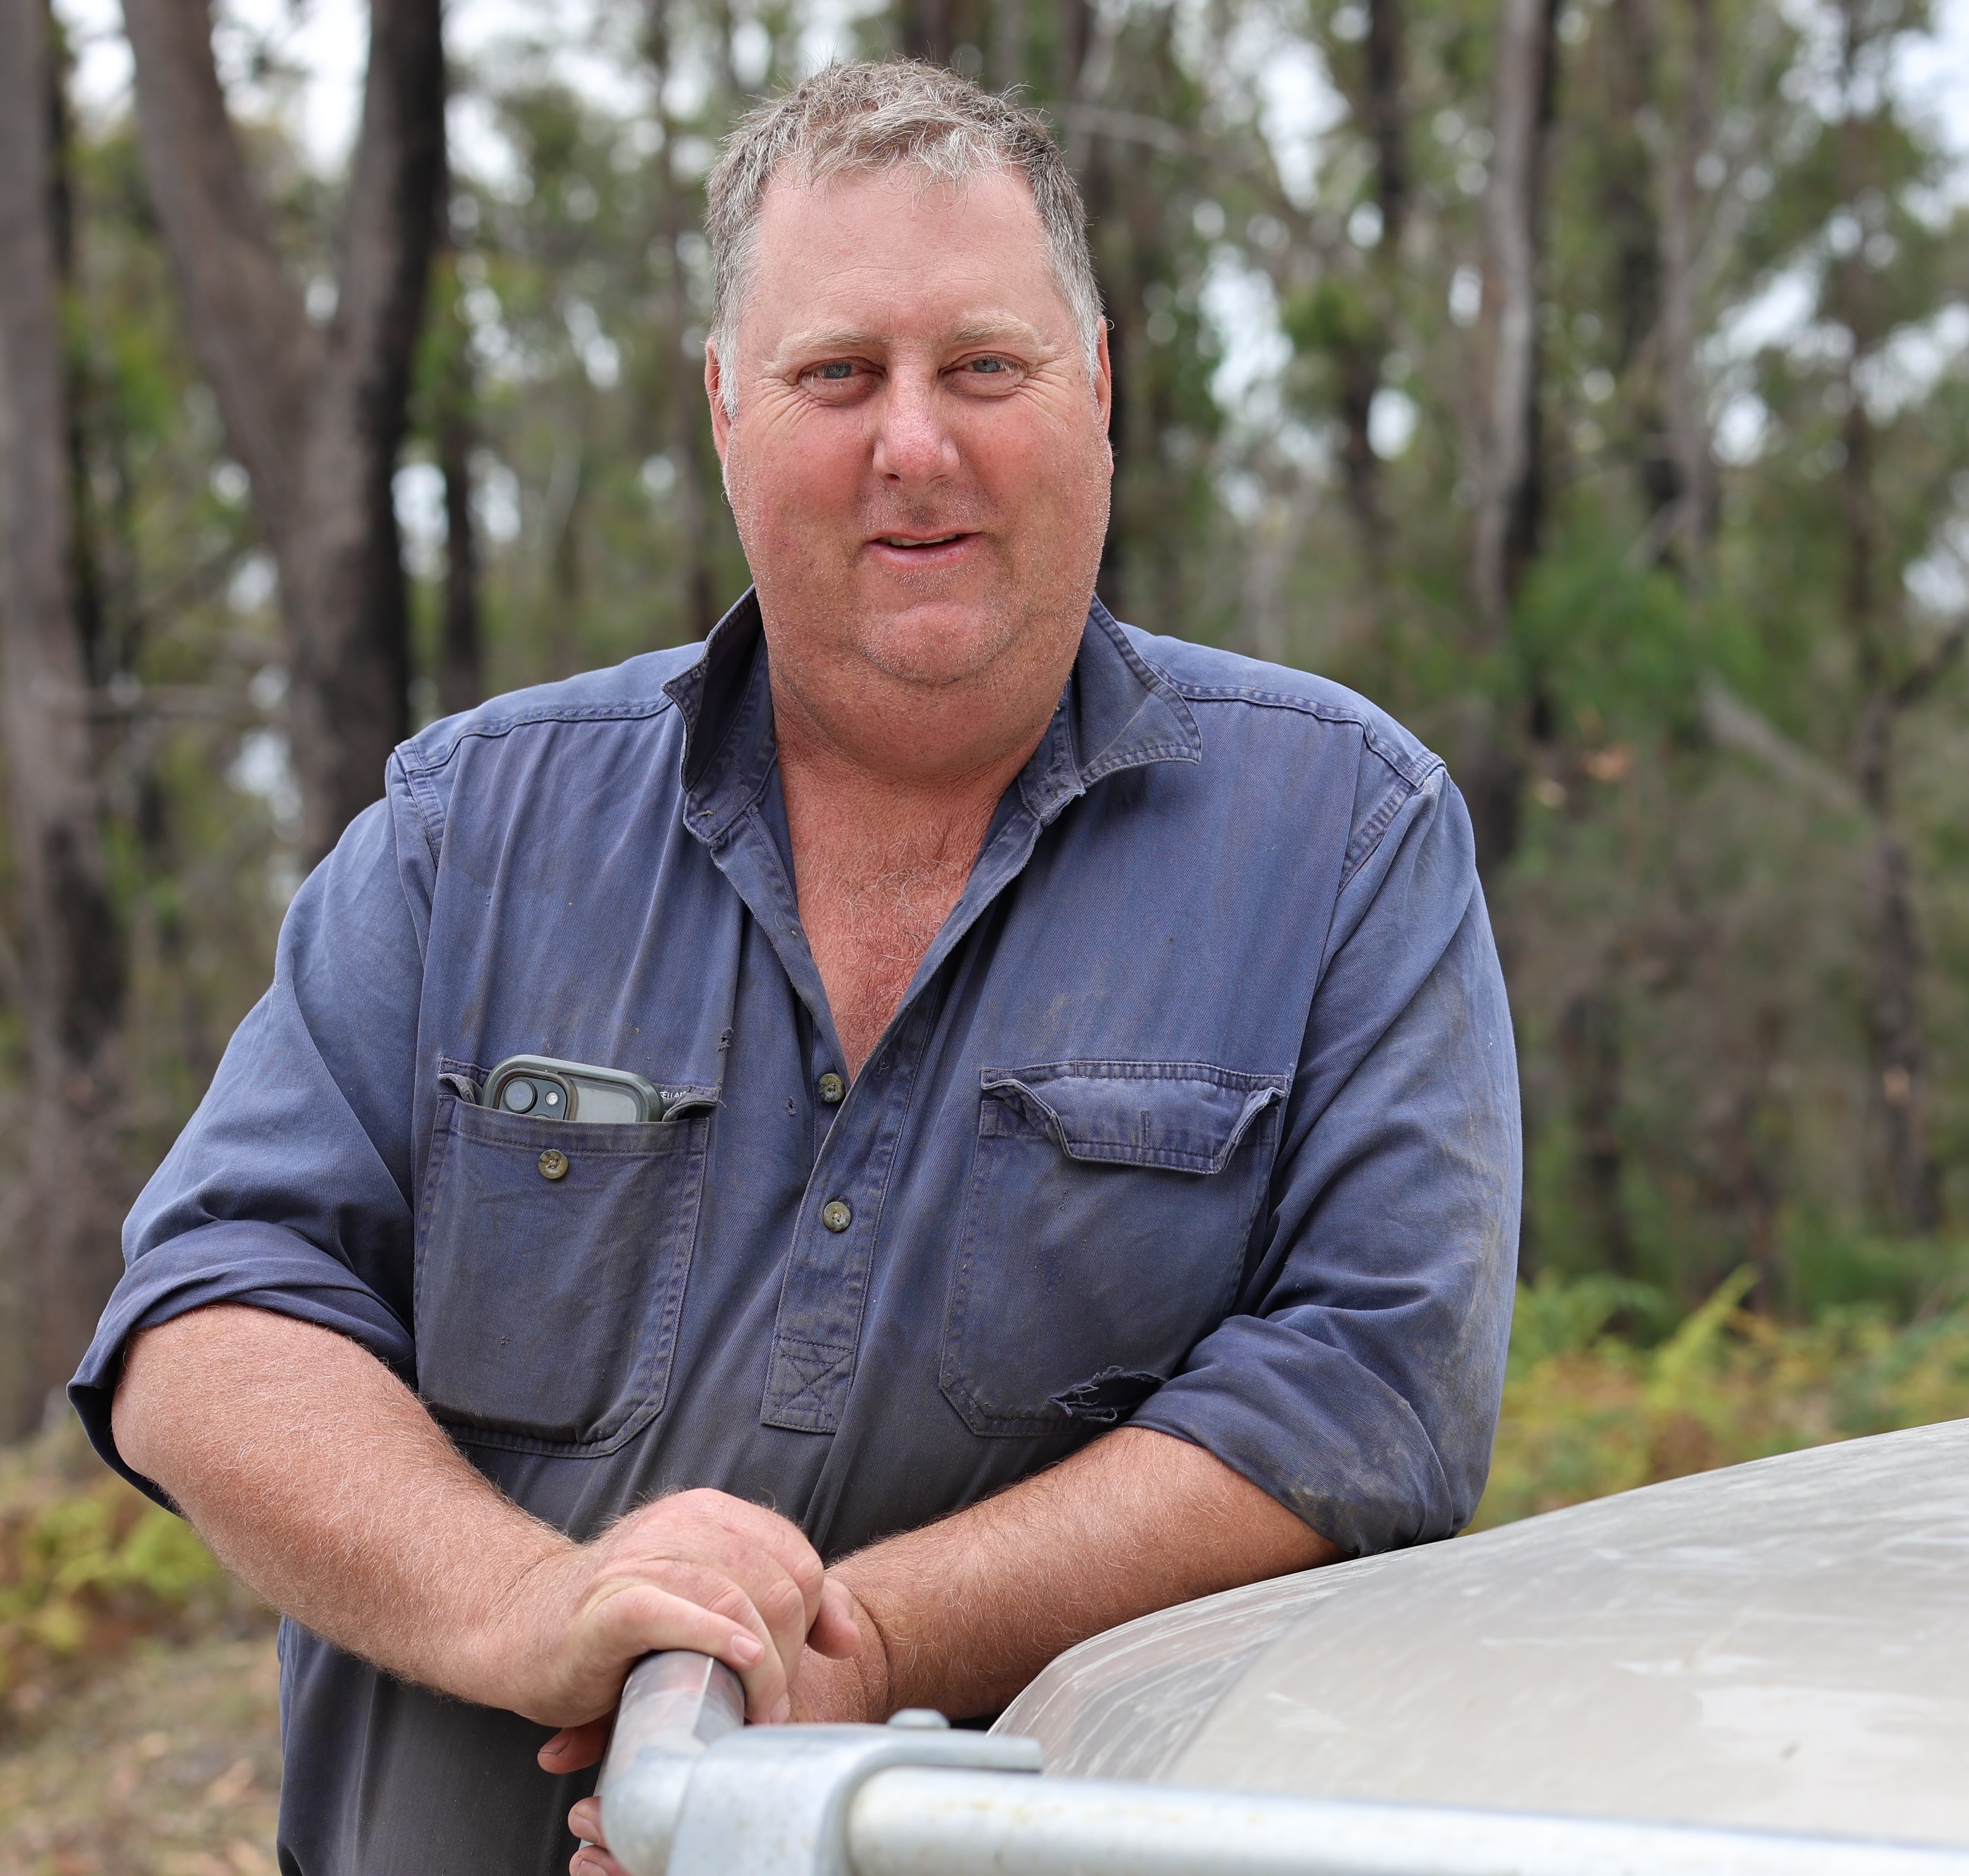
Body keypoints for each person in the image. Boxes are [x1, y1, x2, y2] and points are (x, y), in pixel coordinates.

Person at [69, 58, 1521, 1876]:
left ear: (1095, 388)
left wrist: (865, 1650)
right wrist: (542, 1608)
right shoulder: (471, 832)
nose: (913, 443)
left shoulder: (1346, 839)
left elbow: (1370, 1391)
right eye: (839, 375)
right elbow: (208, 1312)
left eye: (980, 367)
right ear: (727, 408)